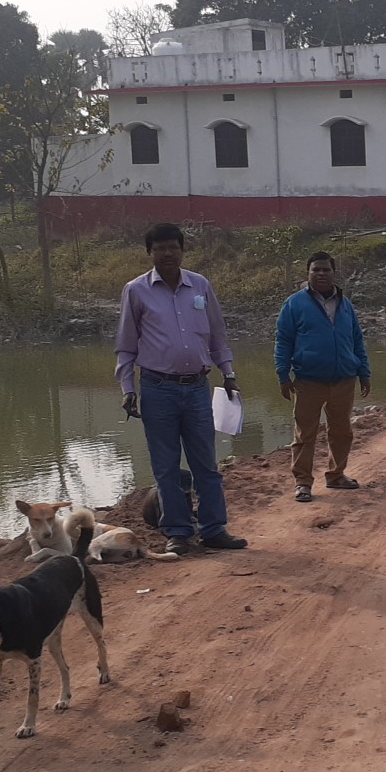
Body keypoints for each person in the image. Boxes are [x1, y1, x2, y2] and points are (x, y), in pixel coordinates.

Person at [114, 222, 248, 555]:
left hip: (198, 388)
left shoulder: (200, 286)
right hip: (158, 389)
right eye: (159, 248)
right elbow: (126, 345)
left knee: (206, 464)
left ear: (182, 250)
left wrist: (228, 373)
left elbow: (218, 335)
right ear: (149, 253)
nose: (167, 254)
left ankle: (214, 529)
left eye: (173, 247)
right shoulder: (136, 290)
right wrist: (128, 388)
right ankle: (177, 531)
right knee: (166, 466)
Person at [276, 251, 371, 503]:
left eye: (325, 270)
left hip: (344, 379)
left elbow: (356, 340)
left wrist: (364, 372)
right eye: (315, 270)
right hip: (308, 381)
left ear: (334, 273)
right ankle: (302, 483)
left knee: (342, 431)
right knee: (305, 434)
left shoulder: (345, 304)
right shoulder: (294, 304)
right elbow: (283, 341)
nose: (320, 274)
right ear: (308, 273)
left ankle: (336, 475)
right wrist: (283, 374)